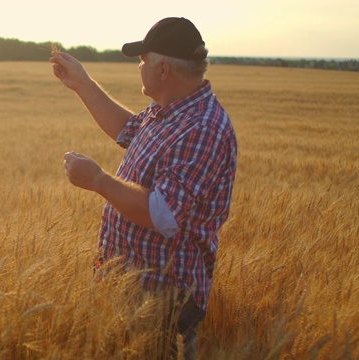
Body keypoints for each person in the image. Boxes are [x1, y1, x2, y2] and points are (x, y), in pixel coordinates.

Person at [50, 17, 237, 359]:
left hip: (164, 297)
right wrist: (83, 84)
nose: (139, 69)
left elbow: (162, 214)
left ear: (163, 69)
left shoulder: (202, 127)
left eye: (142, 61)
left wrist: (97, 180)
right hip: (132, 284)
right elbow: (127, 130)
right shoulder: (168, 109)